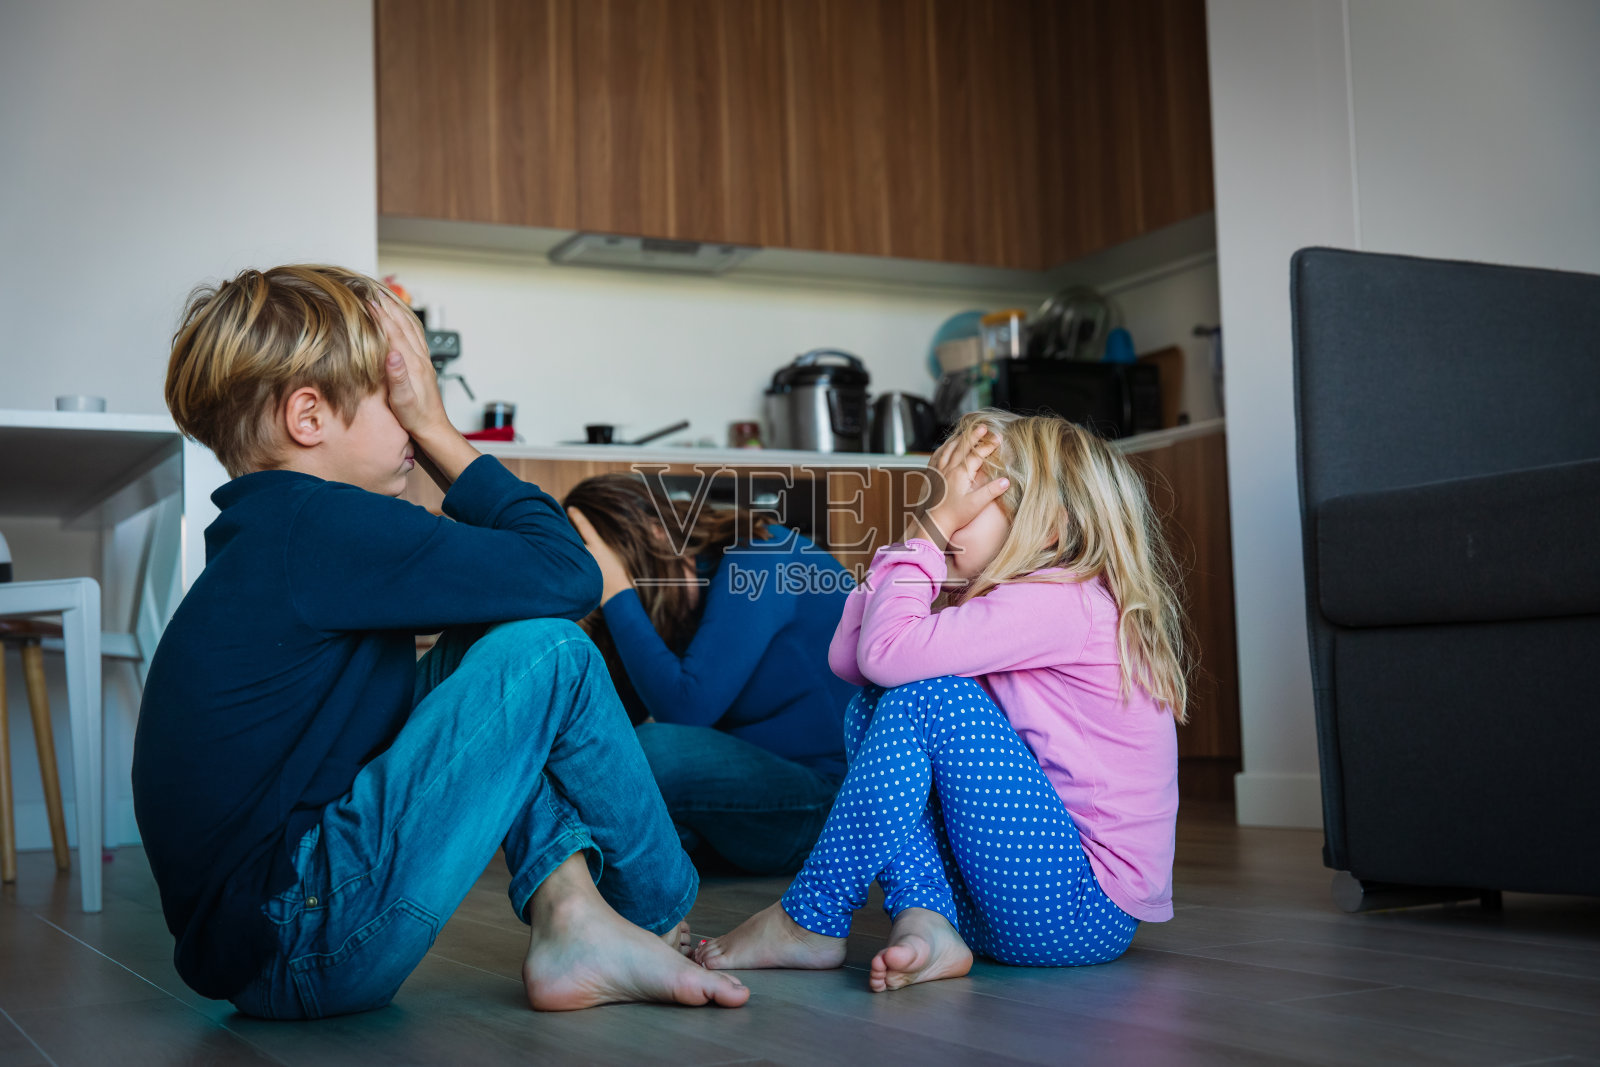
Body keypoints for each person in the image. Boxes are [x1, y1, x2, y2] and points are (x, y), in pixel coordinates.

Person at [132, 265, 748, 1019]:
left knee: (499, 642)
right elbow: (568, 573)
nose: (414, 417)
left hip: (275, 936)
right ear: (308, 416)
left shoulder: (276, 532)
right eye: (399, 398)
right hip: (300, 939)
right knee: (550, 651)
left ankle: (573, 919)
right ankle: (661, 921)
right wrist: (438, 431)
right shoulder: (323, 525)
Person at [696, 410, 1187, 992]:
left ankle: (812, 916)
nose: (942, 516)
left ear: (1047, 528)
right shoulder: (1017, 600)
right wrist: (920, 540)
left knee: (926, 695)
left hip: (1080, 910)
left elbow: (884, 655)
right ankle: (926, 921)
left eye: (963, 504)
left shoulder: (1062, 602)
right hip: (1014, 902)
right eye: (937, 499)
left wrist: (928, 535)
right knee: (876, 703)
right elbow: (854, 661)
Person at [562, 473, 854, 875]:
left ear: (656, 533)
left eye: (623, 571)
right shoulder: (675, 603)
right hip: (747, 795)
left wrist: (616, 592)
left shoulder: (762, 558)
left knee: (649, 752)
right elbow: (619, 718)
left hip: (829, 804)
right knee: (595, 755)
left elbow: (686, 710)